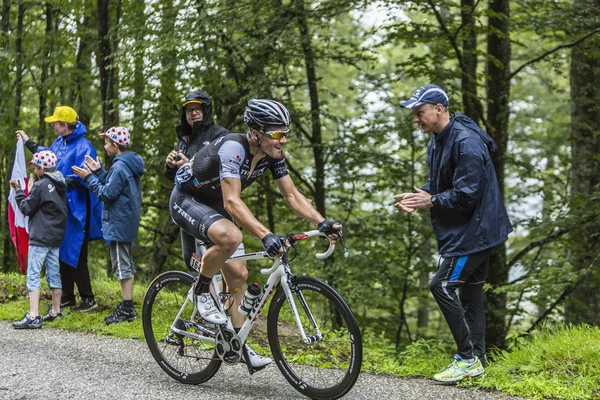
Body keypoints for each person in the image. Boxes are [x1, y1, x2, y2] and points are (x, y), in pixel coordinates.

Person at [170, 98, 342, 368]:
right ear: (255, 133)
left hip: (215, 203)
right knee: (232, 237)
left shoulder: (272, 154)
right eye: (276, 134)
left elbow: (291, 194)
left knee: (238, 276)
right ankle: (201, 290)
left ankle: (237, 344)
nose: (282, 140)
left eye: (285, 133)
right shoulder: (232, 148)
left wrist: (321, 221)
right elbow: (232, 202)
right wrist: (265, 234)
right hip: (188, 199)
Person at [393, 84, 513, 383]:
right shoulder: (439, 139)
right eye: (414, 114)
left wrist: (430, 200)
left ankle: (467, 357)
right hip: (474, 229)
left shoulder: (467, 142)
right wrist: (421, 193)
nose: (415, 120)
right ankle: (479, 360)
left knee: (442, 285)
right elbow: (442, 181)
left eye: (419, 113)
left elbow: (466, 195)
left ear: (438, 109)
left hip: (475, 232)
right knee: (472, 293)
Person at [16, 106, 103, 312]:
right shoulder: (60, 141)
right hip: (60, 206)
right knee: (61, 249)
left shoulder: (84, 146)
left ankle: (88, 299)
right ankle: (66, 296)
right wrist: (29, 143)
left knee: (77, 251)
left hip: (78, 208)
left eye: (56, 123)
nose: (53, 126)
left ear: (65, 125)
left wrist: (58, 180)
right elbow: (47, 157)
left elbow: (85, 178)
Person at [72, 127, 145, 325]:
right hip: (125, 221)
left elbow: (106, 194)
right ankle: (126, 305)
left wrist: (88, 177)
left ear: (115, 145)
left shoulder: (120, 167)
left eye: (106, 143)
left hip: (119, 223)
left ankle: (127, 308)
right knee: (124, 264)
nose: (104, 147)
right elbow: (115, 187)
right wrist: (99, 171)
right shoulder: (126, 164)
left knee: (122, 266)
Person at [165, 90, 234, 275]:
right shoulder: (184, 139)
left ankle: (223, 299)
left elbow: (226, 169)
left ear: (206, 110)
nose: (193, 113)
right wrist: (171, 165)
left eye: (197, 109)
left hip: (214, 204)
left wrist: (190, 165)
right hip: (187, 203)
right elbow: (174, 177)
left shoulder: (220, 134)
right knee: (191, 258)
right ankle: (202, 301)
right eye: (189, 110)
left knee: (221, 256)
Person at [10, 150, 68, 329]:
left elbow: (27, 208)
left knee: (33, 274)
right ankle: (56, 311)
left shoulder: (41, 185)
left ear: (42, 168)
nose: (33, 169)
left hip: (40, 237)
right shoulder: (60, 183)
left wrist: (20, 191)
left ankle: (33, 315)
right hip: (55, 236)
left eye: (35, 166)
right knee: (54, 273)